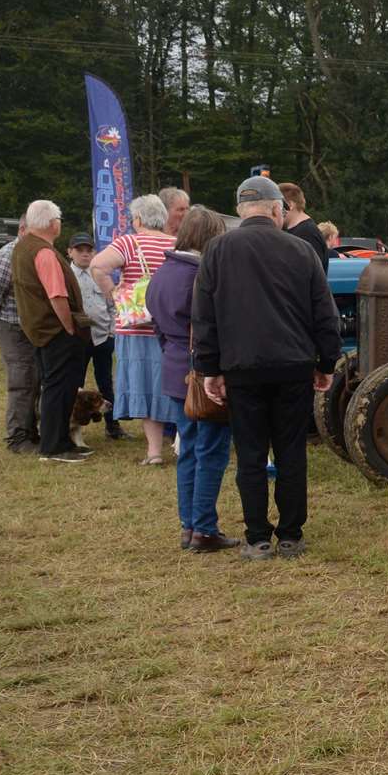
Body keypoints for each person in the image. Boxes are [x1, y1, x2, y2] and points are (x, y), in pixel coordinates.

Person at [191, 176, 340, 560]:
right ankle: (290, 534)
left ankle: (257, 536)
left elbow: (204, 316)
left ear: (241, 212)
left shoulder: (217, 250)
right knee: (291, 451)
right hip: (292, 366)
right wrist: (326, 362)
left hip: (242, 368)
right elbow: (325, 313)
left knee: (251, 452)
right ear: (278, 209)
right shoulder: (302, 250)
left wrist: (210, 369)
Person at [148, 206, 239, 554]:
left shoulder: (162, 272)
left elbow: (156, 323)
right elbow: (211, 330)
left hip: (172, 369)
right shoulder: (200, 276)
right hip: (201, 373)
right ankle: (204, 528)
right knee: (211, 451)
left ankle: (189, 526)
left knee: (188, 450)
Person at [89, 194, 177, 465]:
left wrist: (113, 293)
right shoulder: (176, 243)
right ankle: (181, 444)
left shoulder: (128, 242)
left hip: (135, 327)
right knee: (173, 388)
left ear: (137, 219)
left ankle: (153, 453)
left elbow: (97, 266)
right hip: (170, 328)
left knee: (146, 389)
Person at [11, 200, 94, 464]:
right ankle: (54, 446)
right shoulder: (44, 253)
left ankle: (59, 440)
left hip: (39, 329)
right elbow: (57, 294)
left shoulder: (22, 247)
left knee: (55, 386)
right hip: (55, 330)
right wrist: (69, 326)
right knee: (60, 388)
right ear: (52, 223)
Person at [0, 218, 40, 452]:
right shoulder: (9, 255)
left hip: (28, 328)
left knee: (34, 379)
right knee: (22, 381)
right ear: (23, 229)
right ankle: (17, 438)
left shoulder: (31, 252)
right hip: (11, 326)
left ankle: (31, 432)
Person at [67, 232, 123, 441]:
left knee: (106, 382)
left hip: (102, 337)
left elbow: (111, 303)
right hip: (78, 340)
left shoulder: (100, 273)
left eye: (88, 250)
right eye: (79, 250)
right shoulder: (66, 275)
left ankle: (112, 425)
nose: (84, 254)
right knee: (75, 384)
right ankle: (72, 425)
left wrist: (111, 330)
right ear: (70, 252)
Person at [279, 182, 332, 268]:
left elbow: (307, 274)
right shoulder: (299, 231)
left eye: (278, 205)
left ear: (289, 205)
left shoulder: (307, 233)